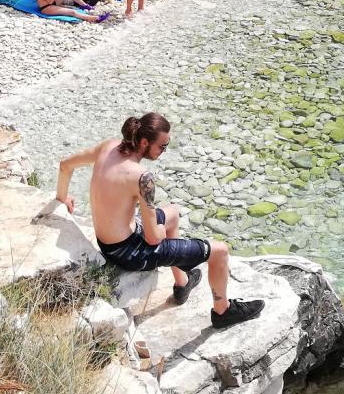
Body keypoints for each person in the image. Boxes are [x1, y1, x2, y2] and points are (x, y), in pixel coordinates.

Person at [55, 113, 265, 329]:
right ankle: (223, 312)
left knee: (173, 212)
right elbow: (154, 238)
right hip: (130, 254)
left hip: (107, 243)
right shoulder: (141, 177)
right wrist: (160, 230)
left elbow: (65, 165)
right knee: (220, 250)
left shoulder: (108, 147)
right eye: (162, 147)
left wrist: (62, 198)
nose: (164, 151)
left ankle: (182, 283)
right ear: (144, 142)